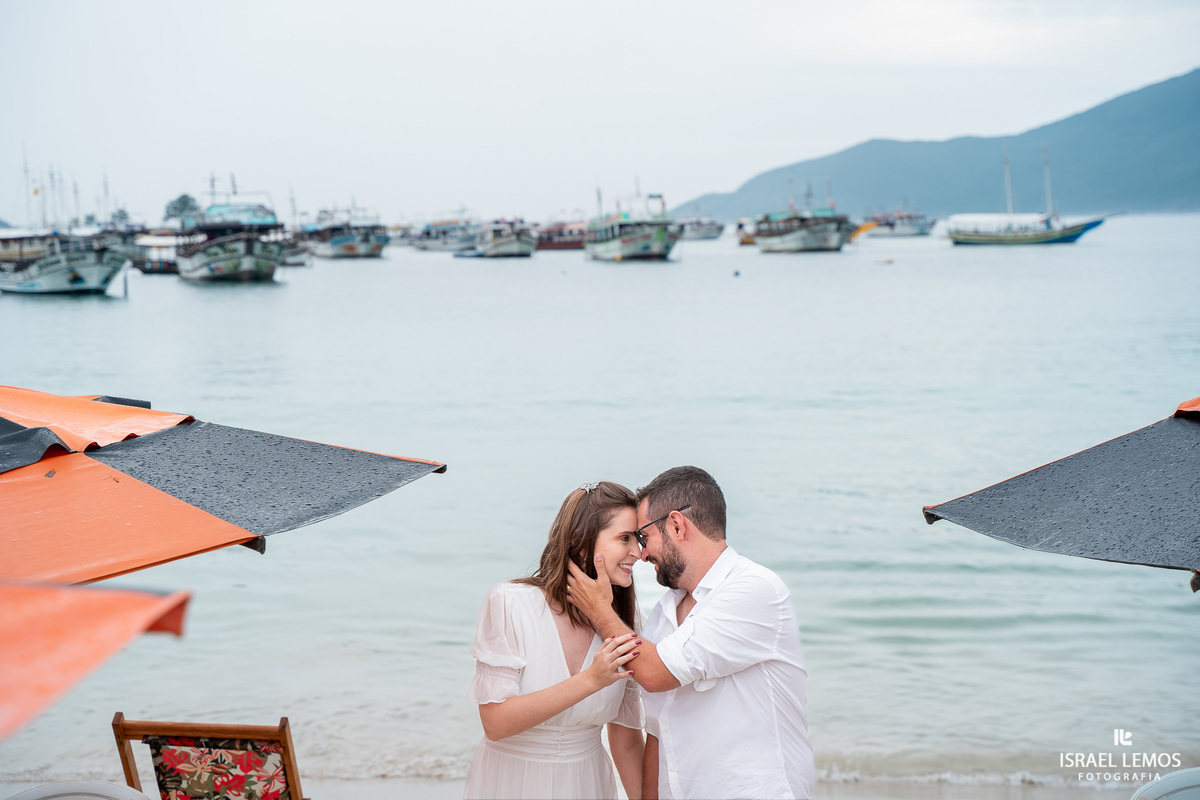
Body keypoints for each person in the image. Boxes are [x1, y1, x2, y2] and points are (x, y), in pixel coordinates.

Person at [566, 466, 815, 799]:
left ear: (676, 525)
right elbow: (658, 731)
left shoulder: (753, 589)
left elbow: (656, 673)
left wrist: (599, 610)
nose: (642, 554)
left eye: (644, 537)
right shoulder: (663, 613)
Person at [464, 481, 646, 799]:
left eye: (638, 539)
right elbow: (495, 723)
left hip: (588, 783)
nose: (638, 553)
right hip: (513, 783)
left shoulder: (624, 621)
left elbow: (627, 741)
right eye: (624, 538)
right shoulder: (510, 603)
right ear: (581, 542)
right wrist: (591, 680)